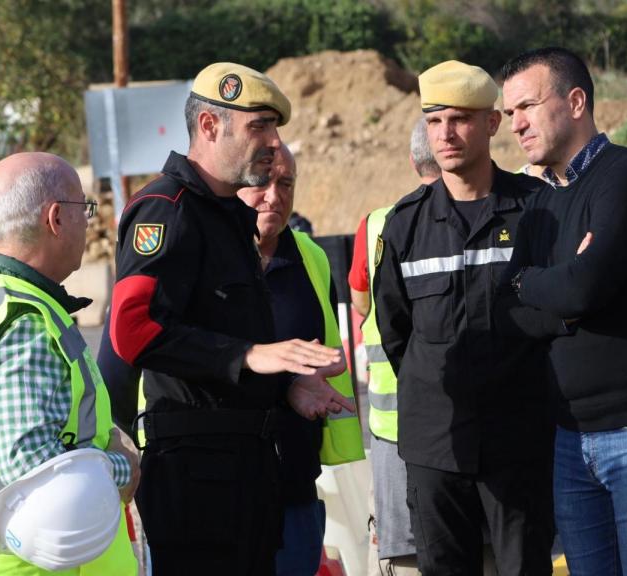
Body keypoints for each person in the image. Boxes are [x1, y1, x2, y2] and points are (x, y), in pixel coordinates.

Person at [107, 62, 351, 575]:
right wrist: (246, 355)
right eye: (258, 126)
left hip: (252, 469)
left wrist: (287, 385)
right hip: (196, 478)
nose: (272, 141)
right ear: (210, 127)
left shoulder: (230, 220)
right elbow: (132, 331)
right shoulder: (164, 210)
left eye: (274, 127)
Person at [499, 47, 627, 575]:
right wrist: (550, 286)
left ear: (575, 100)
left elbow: (581, 290)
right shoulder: (538, 201)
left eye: (526, 106)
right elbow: (512, 307)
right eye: (508, 114)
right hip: (570, 437)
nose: (515, 125)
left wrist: (546, 285)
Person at [374, 60, 563, 575]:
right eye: (434, 121)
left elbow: (560, 314)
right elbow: (396, 332)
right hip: (436, 443)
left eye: (459, 119)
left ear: (492, 124)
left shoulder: (538, 211)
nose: (446, 134)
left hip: (519, 439)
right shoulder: (406, 225)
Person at [0, 152, 140, 574]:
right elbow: (34, 468)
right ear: (56, 219)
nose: (88, 222)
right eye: (84, 209)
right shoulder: (23, 324)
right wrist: (122, 466)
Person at [238, 145, 363, 575]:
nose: (273, 195)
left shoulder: (311, 257)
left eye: (285, 183)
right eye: (260, 183)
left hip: (296, 490)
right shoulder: (204, 258)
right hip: (221, 494)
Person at [349, 117, 440, 576]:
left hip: (393, 430)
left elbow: (361, 303)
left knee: (406, 555)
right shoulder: (491, 213)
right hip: (464, 427)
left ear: (411, 160)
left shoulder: (378, 224)